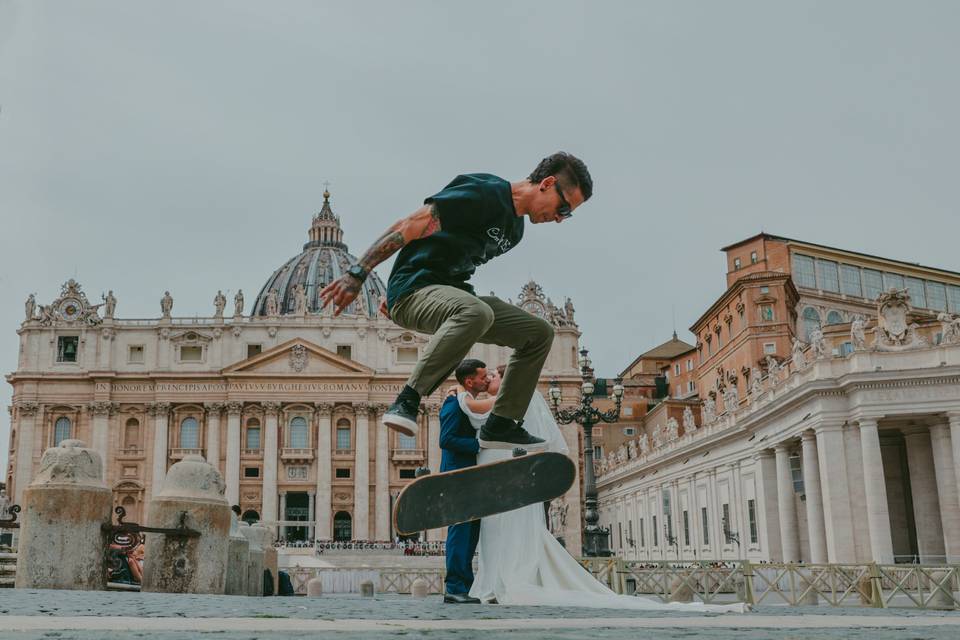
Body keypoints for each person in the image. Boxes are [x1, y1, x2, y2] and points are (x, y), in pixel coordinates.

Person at [319, 152, 592, 449]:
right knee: (476, 312)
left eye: (567, 215)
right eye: (563, 208)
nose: (559, 219)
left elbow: (457, 263)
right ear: (547, 183)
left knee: (540, 333)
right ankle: (407, 400)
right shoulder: (484, 192)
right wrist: (357, 274)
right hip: (414, 288)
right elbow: (409, 225)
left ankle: (501, 422)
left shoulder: (515, 232)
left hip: (453, 296)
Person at [457, 367, 748, 613]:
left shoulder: (510, 400)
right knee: (501, 534)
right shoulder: (519, 400)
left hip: (507, 482)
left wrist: (459, 396)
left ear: (506, 381)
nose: (489, 379)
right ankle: (500, 580)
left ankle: (503, 581)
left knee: (505, 533)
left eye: (493, 375)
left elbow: (475, 415)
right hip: (505, 482)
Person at [437, 358, 492, 604]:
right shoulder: (452, 403)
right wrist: (478, 445)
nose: (486, 379)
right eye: (482, 377)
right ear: (469, 381)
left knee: (471, 531)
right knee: (459, 531)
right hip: (457, 474)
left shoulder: (466, 400)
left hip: (472, 474)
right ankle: (454, 587)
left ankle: (465, 585)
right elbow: (445, 440)